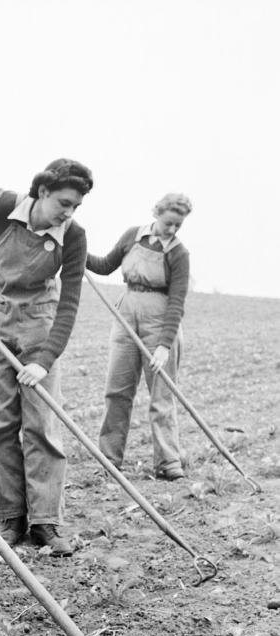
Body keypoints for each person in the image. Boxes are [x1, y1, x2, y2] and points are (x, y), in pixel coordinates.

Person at [0, 160, 93, 556]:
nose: (69, 211)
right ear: (42, 192)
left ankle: (45, 522)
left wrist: (45, 358)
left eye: (76, 205)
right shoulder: (2, 204)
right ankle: (6, 516)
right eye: (64, 202)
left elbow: (70, 302)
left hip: (38, 327)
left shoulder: (73, 237)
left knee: (41, 426)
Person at [86, 193, 192, 480]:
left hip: (160, 321)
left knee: (161, 395)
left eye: (177, 226)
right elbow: (105, 264)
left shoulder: (178, 254)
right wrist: (77, 251)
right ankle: (109, 459)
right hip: (126, 315)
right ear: (156, 213)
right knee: (117, 391)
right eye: (168, 223)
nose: (171, 230)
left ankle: (168, 463)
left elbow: (177, 302)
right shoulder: (133, 236)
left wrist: (164, 346)